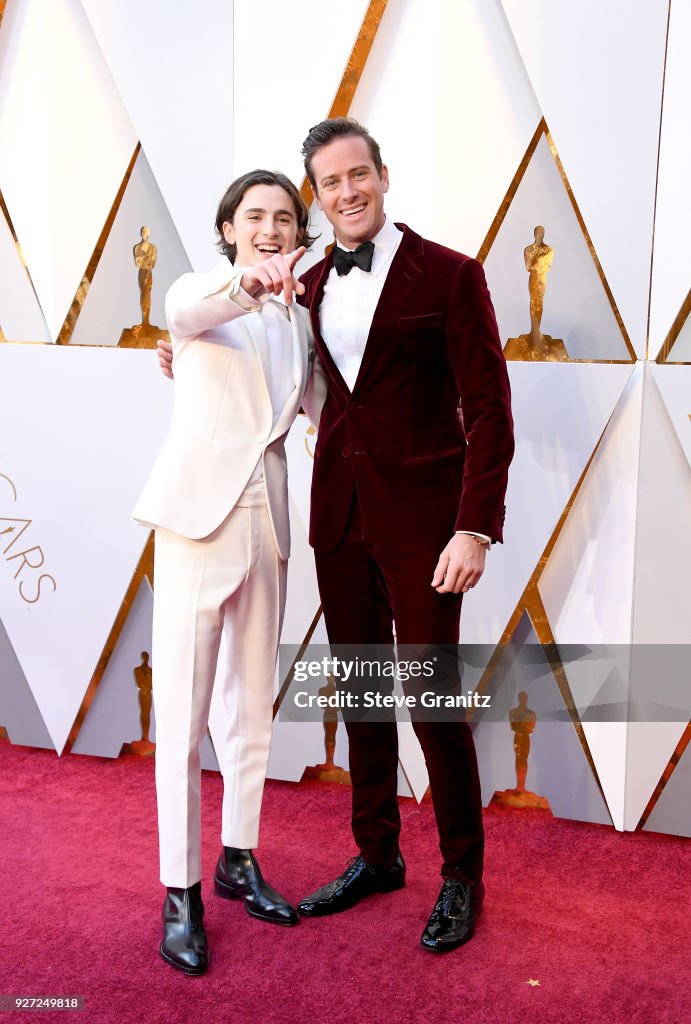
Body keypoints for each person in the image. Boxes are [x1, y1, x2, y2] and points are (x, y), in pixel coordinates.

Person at [157, 118, 514, 954]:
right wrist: (176, 349)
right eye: (329, 183)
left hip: (429, 525)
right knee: (359, 696)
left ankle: (462, 876)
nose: (346, 192)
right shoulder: (303, 286)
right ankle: (377, 854)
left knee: (429, 700)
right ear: (318, 197)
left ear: (382, 177)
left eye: (358, 175)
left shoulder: (451, 275)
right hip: (337, 518)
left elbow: (491, 410)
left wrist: (474, 527)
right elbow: (251, 346)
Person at [133, 169, 317, 975]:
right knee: (182, 716)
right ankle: (181, 892)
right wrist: (243, 286)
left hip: (269, 525)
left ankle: (239, 857)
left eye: (283, 216)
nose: (270, 227)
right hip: (196, 524)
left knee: (250, 710)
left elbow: (317, 404)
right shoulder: (199, 292)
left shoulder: (301, 322)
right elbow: (186, 314)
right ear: (230, 228)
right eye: (255, 216)